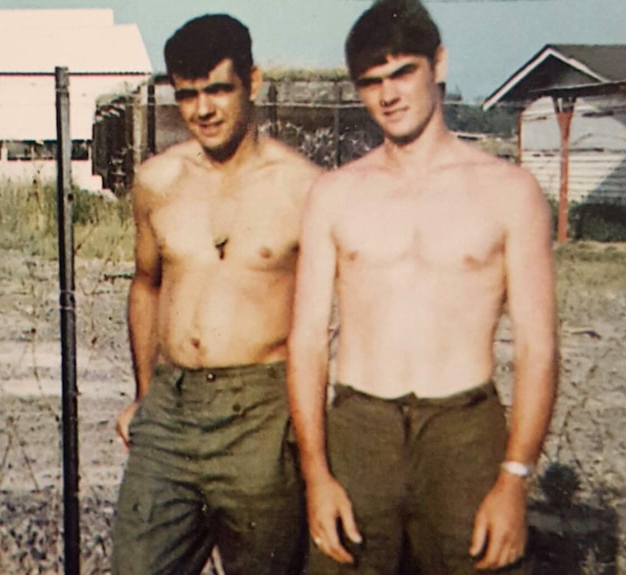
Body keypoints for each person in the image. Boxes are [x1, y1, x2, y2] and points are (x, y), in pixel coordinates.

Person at [287, 1, 558, 573]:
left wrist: (514, 479)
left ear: (438, 63)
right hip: (361, 430)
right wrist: (317, 474)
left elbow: (538, 348)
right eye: (371, 82)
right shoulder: (334, 194)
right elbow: (307, 342)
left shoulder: (509, 191)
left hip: (463, 432)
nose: (388, 95)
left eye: (402, 72)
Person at [111, 13, 323, 575]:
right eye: (187, 95)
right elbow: (147, 284)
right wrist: (144, 393)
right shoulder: (158, 181)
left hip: (261, 413)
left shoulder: (303, 187)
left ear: (251, 82)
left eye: (218, 90)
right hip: (172, 410)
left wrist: (308, 429)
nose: (202, 110)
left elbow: (329, 319)